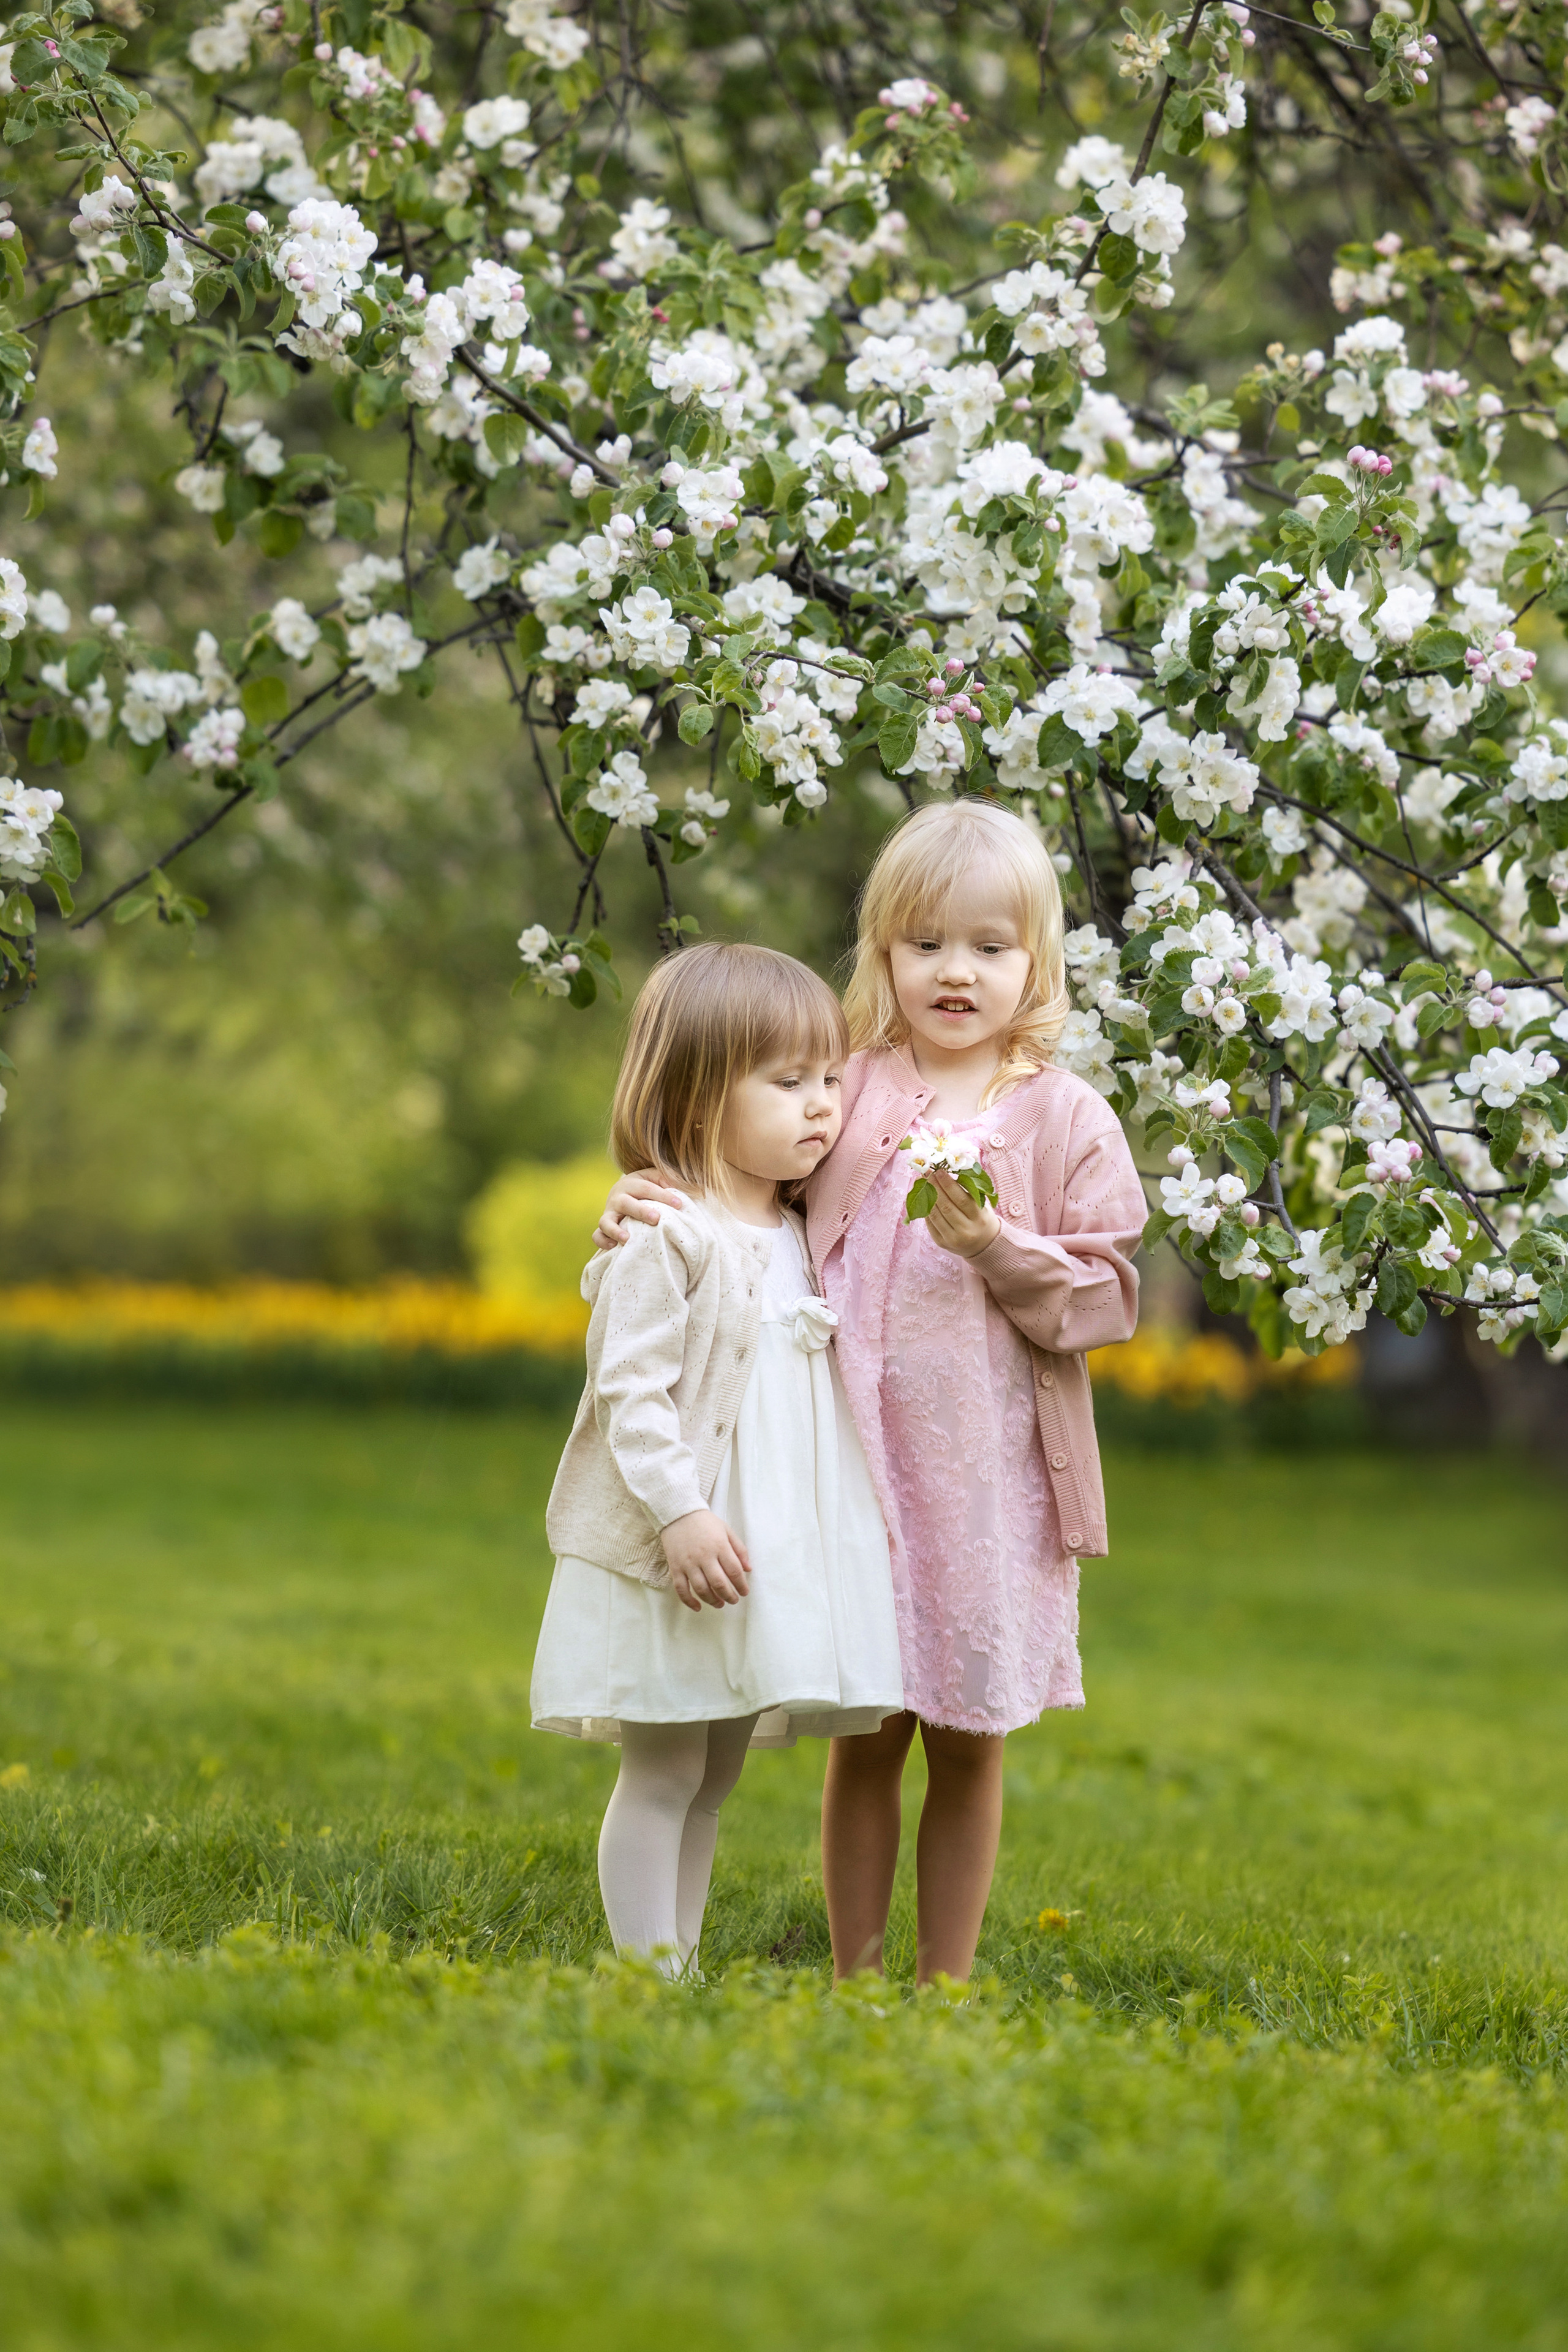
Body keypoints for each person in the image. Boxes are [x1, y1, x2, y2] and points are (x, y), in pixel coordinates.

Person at [595, 800, 1145, 1985]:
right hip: (850, 1470)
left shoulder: (1064, 1117)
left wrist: (998, 1247)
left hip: (989, 1488)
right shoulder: (849, 1089)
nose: (957, 972)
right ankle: (854, 1971)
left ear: (1035, 962)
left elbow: (1104, 1298)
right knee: (869, 1732)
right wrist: (641, 1199)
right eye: (926, 943)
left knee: (968, 1740)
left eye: (991, 948)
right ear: (882, 952)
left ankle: (942, 1982)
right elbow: (741, 1188)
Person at [533, 941, 904, 1977]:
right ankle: (648, 1977)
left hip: (758, 1554)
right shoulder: (668, 1232)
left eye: (830, 1079)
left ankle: (678, 1962)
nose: (823, 1106)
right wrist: (680, 1513)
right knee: (663, 1769)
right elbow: (627, 1396)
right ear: (696, 1097)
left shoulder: (795, 1227)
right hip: (679, 1547)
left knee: (714, 1776)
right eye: (788, 1084)